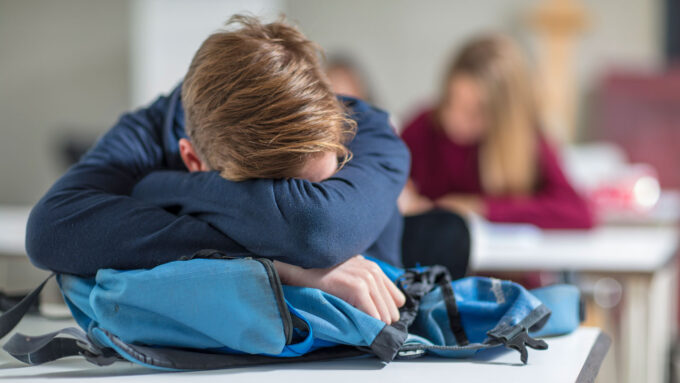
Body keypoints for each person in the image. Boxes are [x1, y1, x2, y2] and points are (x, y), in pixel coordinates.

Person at [26, 15, 408, 324]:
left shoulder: (365, 128)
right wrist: (278, 266)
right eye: (270, 196)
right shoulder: (148, 133)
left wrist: (161, 188)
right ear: (194, 160)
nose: (294, 204)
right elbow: (49, 231)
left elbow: (316, 229)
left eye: (323, 186)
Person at [399, 34, 593, 229]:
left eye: (474, 112)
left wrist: (480, 208)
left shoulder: (527, 140)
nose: (455, 119)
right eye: (450, 102)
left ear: (505, 116)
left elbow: (577, 212)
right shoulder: (423, 126)